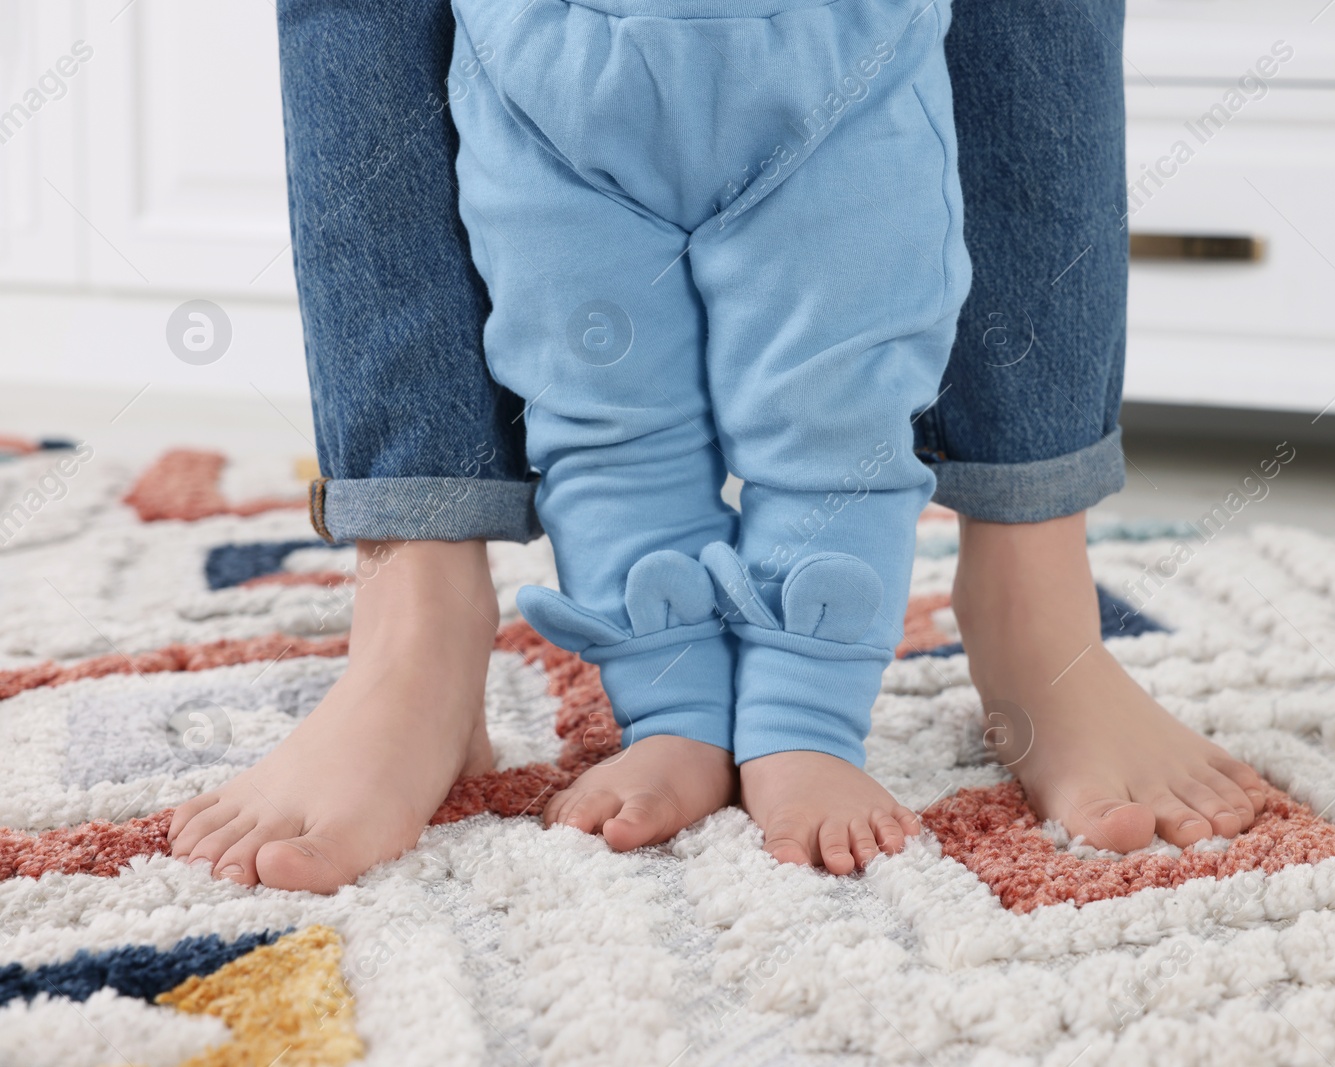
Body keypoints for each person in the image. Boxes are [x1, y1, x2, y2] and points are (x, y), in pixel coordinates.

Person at [166, 0, 1268, 894]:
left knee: (836, 414)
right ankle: (593, 683)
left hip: (840, 55)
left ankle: (874, 682)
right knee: (600, 421)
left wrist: (804, 732)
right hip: (538, 60)